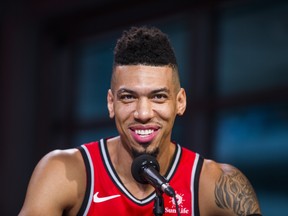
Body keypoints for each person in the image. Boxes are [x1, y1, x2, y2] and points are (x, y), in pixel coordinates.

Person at [19, 26, 262, 216]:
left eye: (158, 97)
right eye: (128, 97)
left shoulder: (216, 183)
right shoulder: (65, 172)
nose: (143, 113)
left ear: (180, 102)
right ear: (111, 103)